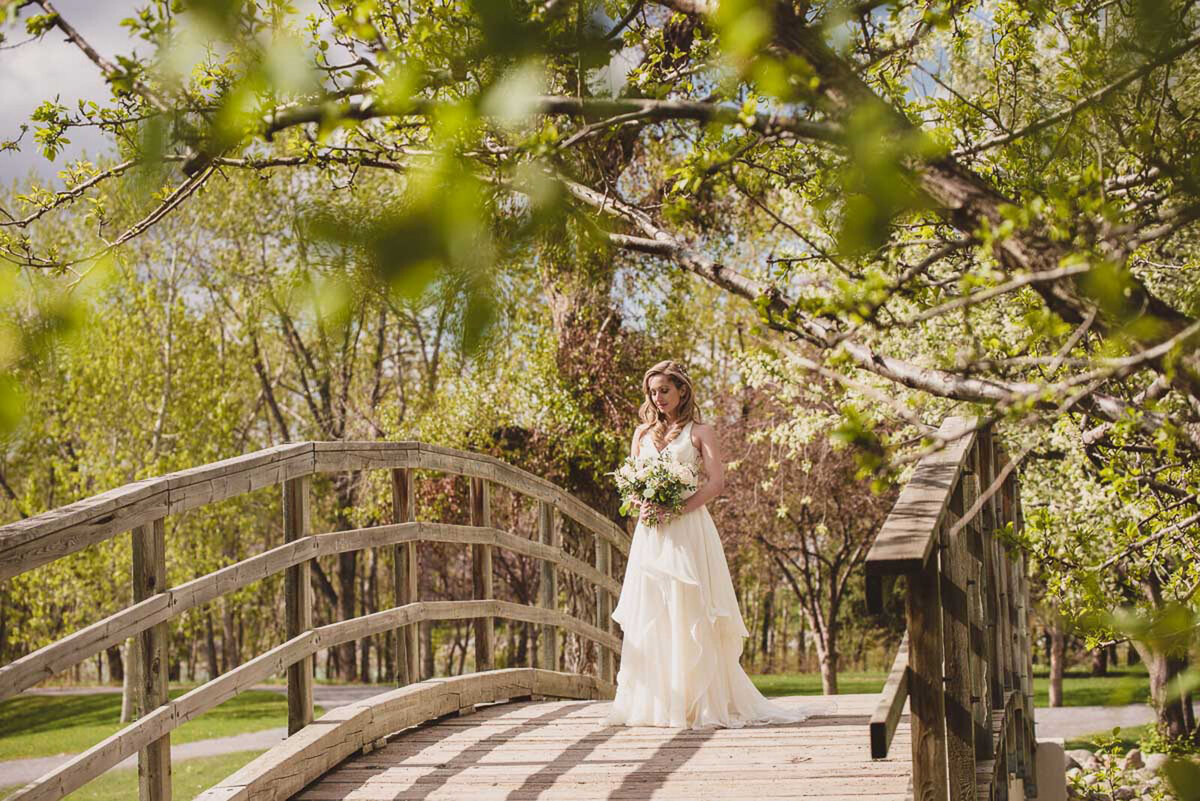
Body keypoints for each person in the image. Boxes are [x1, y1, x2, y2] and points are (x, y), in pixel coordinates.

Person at [603, 359, 835, 729]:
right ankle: (658, 703)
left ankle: (699, 702)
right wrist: (640, 503)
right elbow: (631, 481)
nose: (658, 397)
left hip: (688, 529)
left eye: (665, 390)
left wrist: (675, 507)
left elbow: (715, 483)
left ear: (681, 390)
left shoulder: (700, 432)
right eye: (652, 391)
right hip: (651, 534)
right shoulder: (641, 434)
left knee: (690, 607)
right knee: (655, 609)